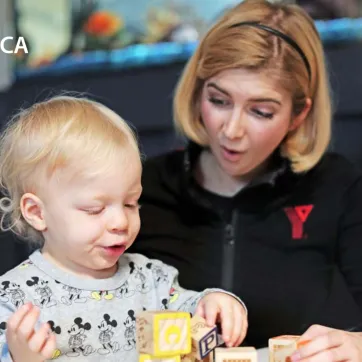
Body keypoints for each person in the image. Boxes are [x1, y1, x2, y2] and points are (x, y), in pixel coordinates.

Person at [131, 0, 362, 361]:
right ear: (197, 92)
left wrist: (358, 345)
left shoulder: (338, 185)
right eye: (219, 100)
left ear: (298, 114)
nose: (232, 130)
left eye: (260, 111)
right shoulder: (140, 186)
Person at [0, 96, 247, 362]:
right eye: (95, 209)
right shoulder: (14, 299)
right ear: (37, 213)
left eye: (130, 203)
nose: (120, 222)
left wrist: (213, 302)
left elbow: (188, 312)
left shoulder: (150, 279)